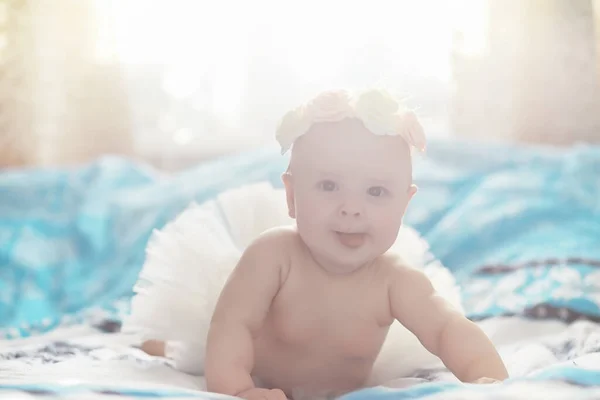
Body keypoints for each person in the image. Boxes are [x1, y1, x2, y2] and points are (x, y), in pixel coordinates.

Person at [202, 89, 508, 400]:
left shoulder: (395, 280)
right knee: (193, 340)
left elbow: (447, 330)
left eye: (375, 192)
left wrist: (489, 379)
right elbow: (232, 326)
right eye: (329, 186)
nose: (351, 207)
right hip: (261, 379)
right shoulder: (273, 257)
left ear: (404, 205)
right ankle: (159, 345)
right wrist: (238, 389)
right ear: (292, 196)